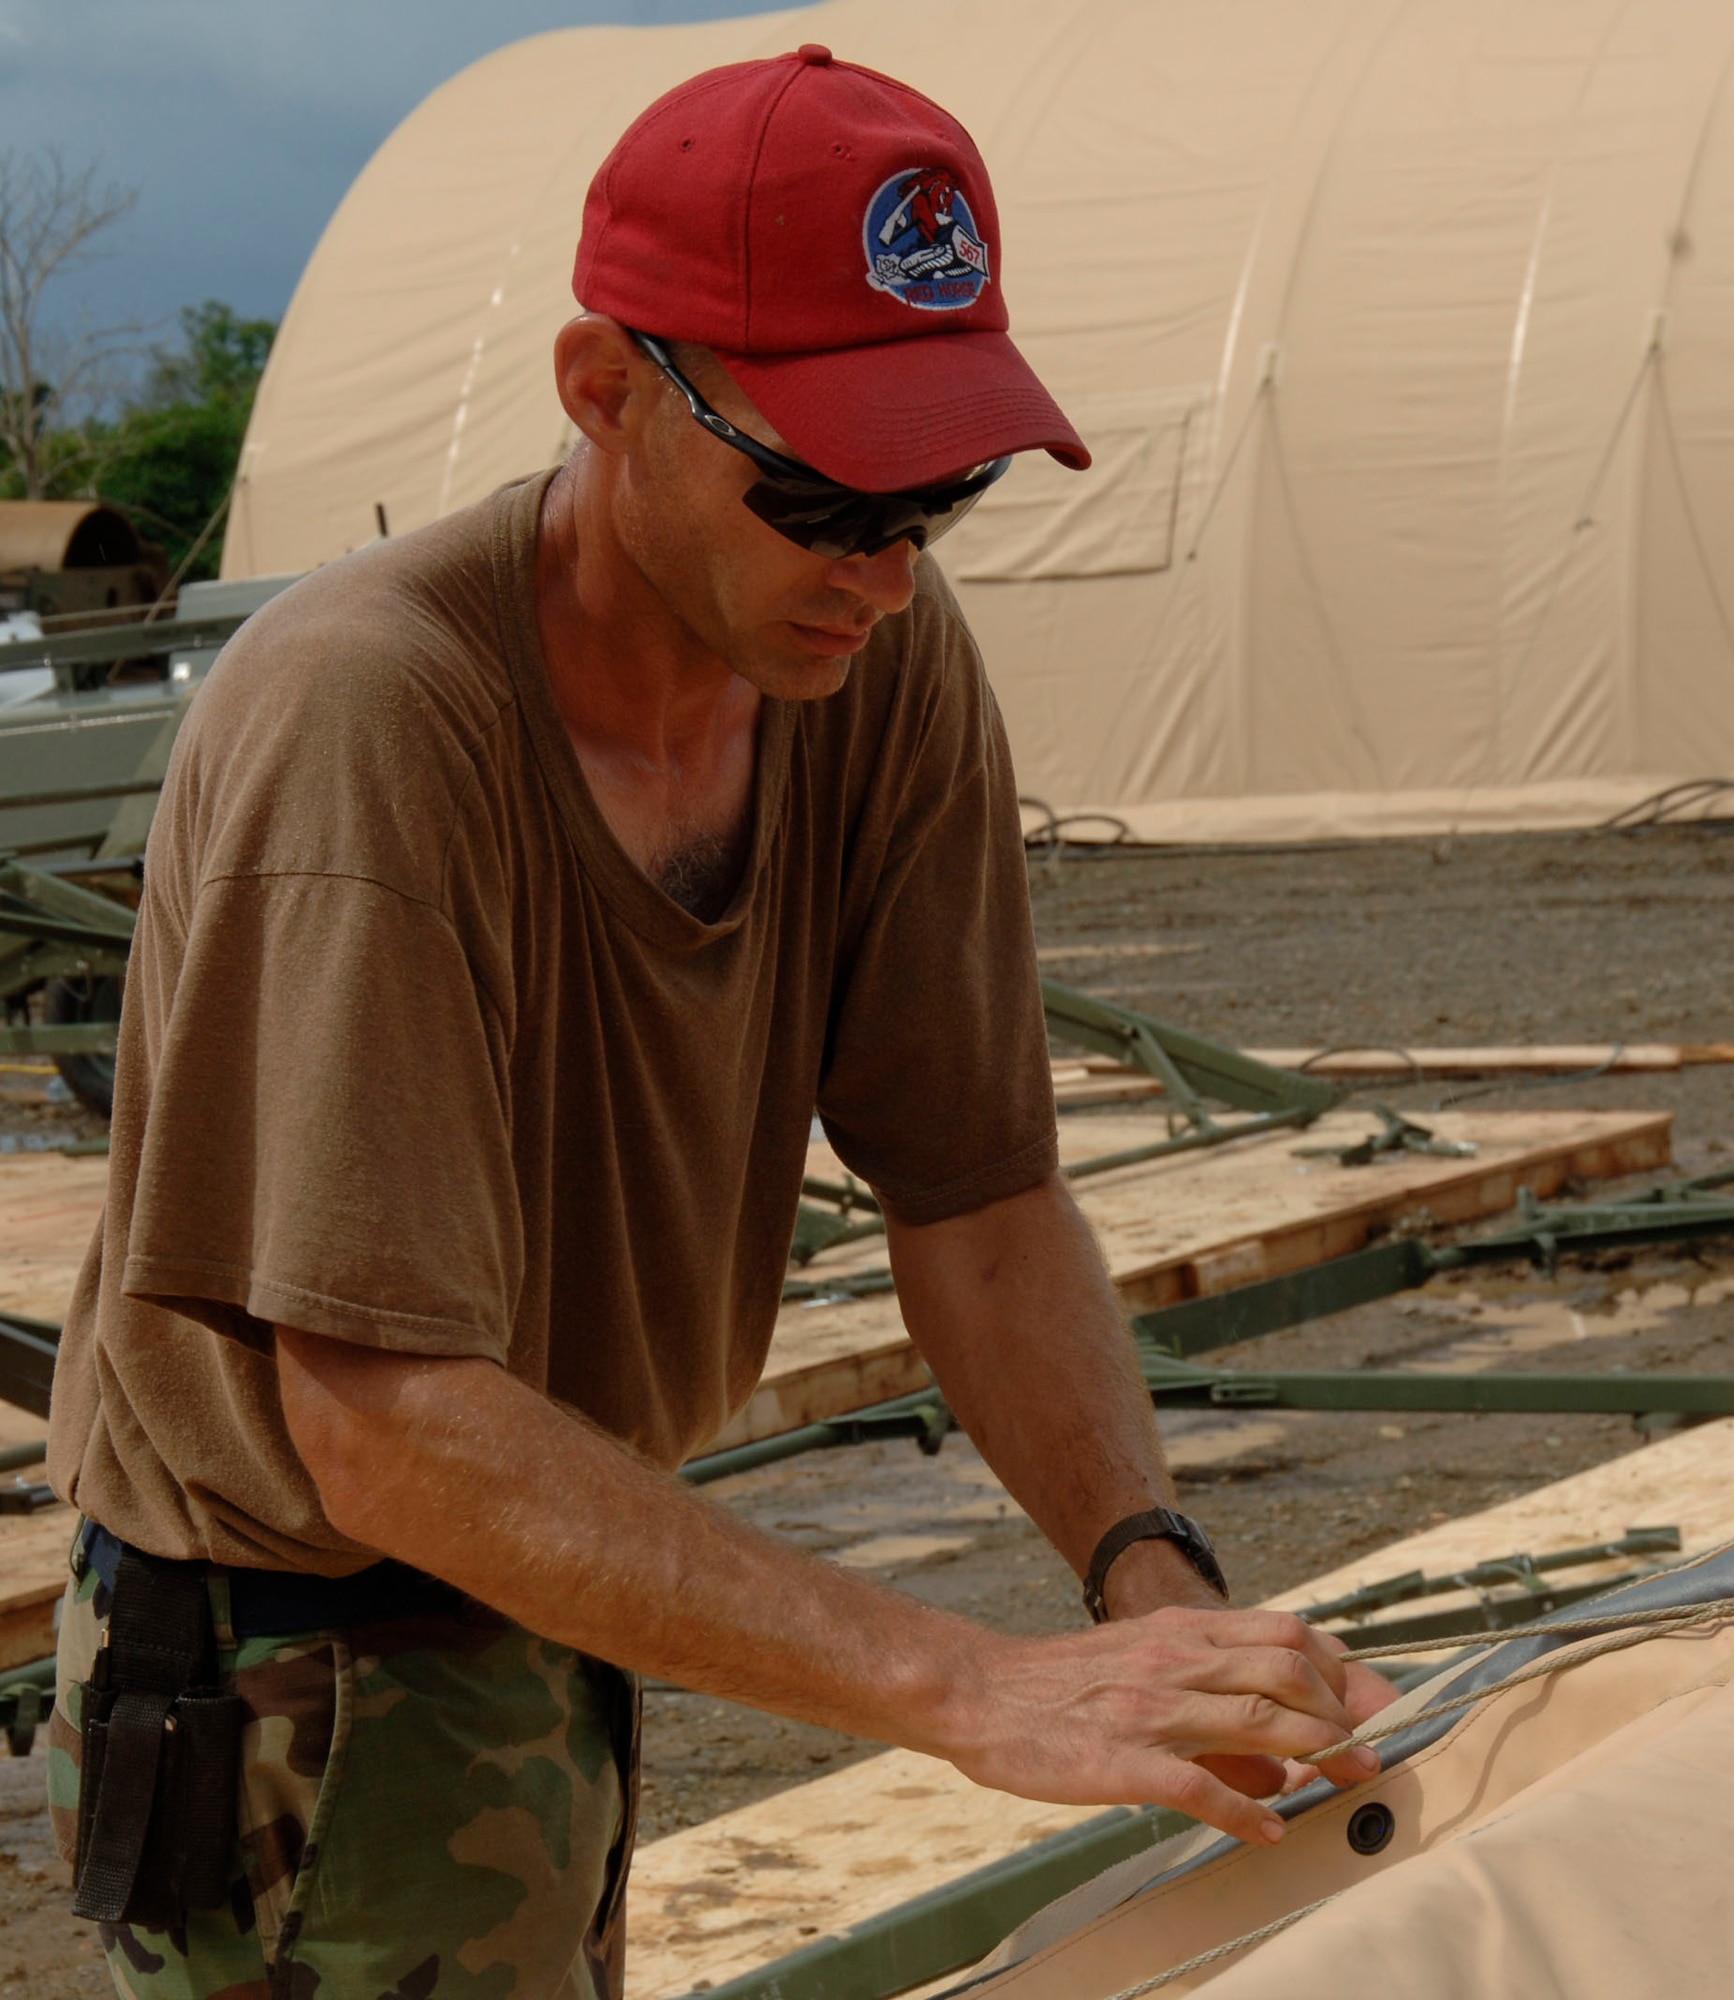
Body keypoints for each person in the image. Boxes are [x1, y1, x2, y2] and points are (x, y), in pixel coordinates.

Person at [44, 45, 1393, 2000]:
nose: (886, 565)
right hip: (291, 1652)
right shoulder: (373, 722)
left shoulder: (874, 666)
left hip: (556, 1554)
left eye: (947, 490)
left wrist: (1148, 1577)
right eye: (829, 494)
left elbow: (982, 1195)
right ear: (606, 391)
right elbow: (387, 1425)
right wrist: (964, 1682)